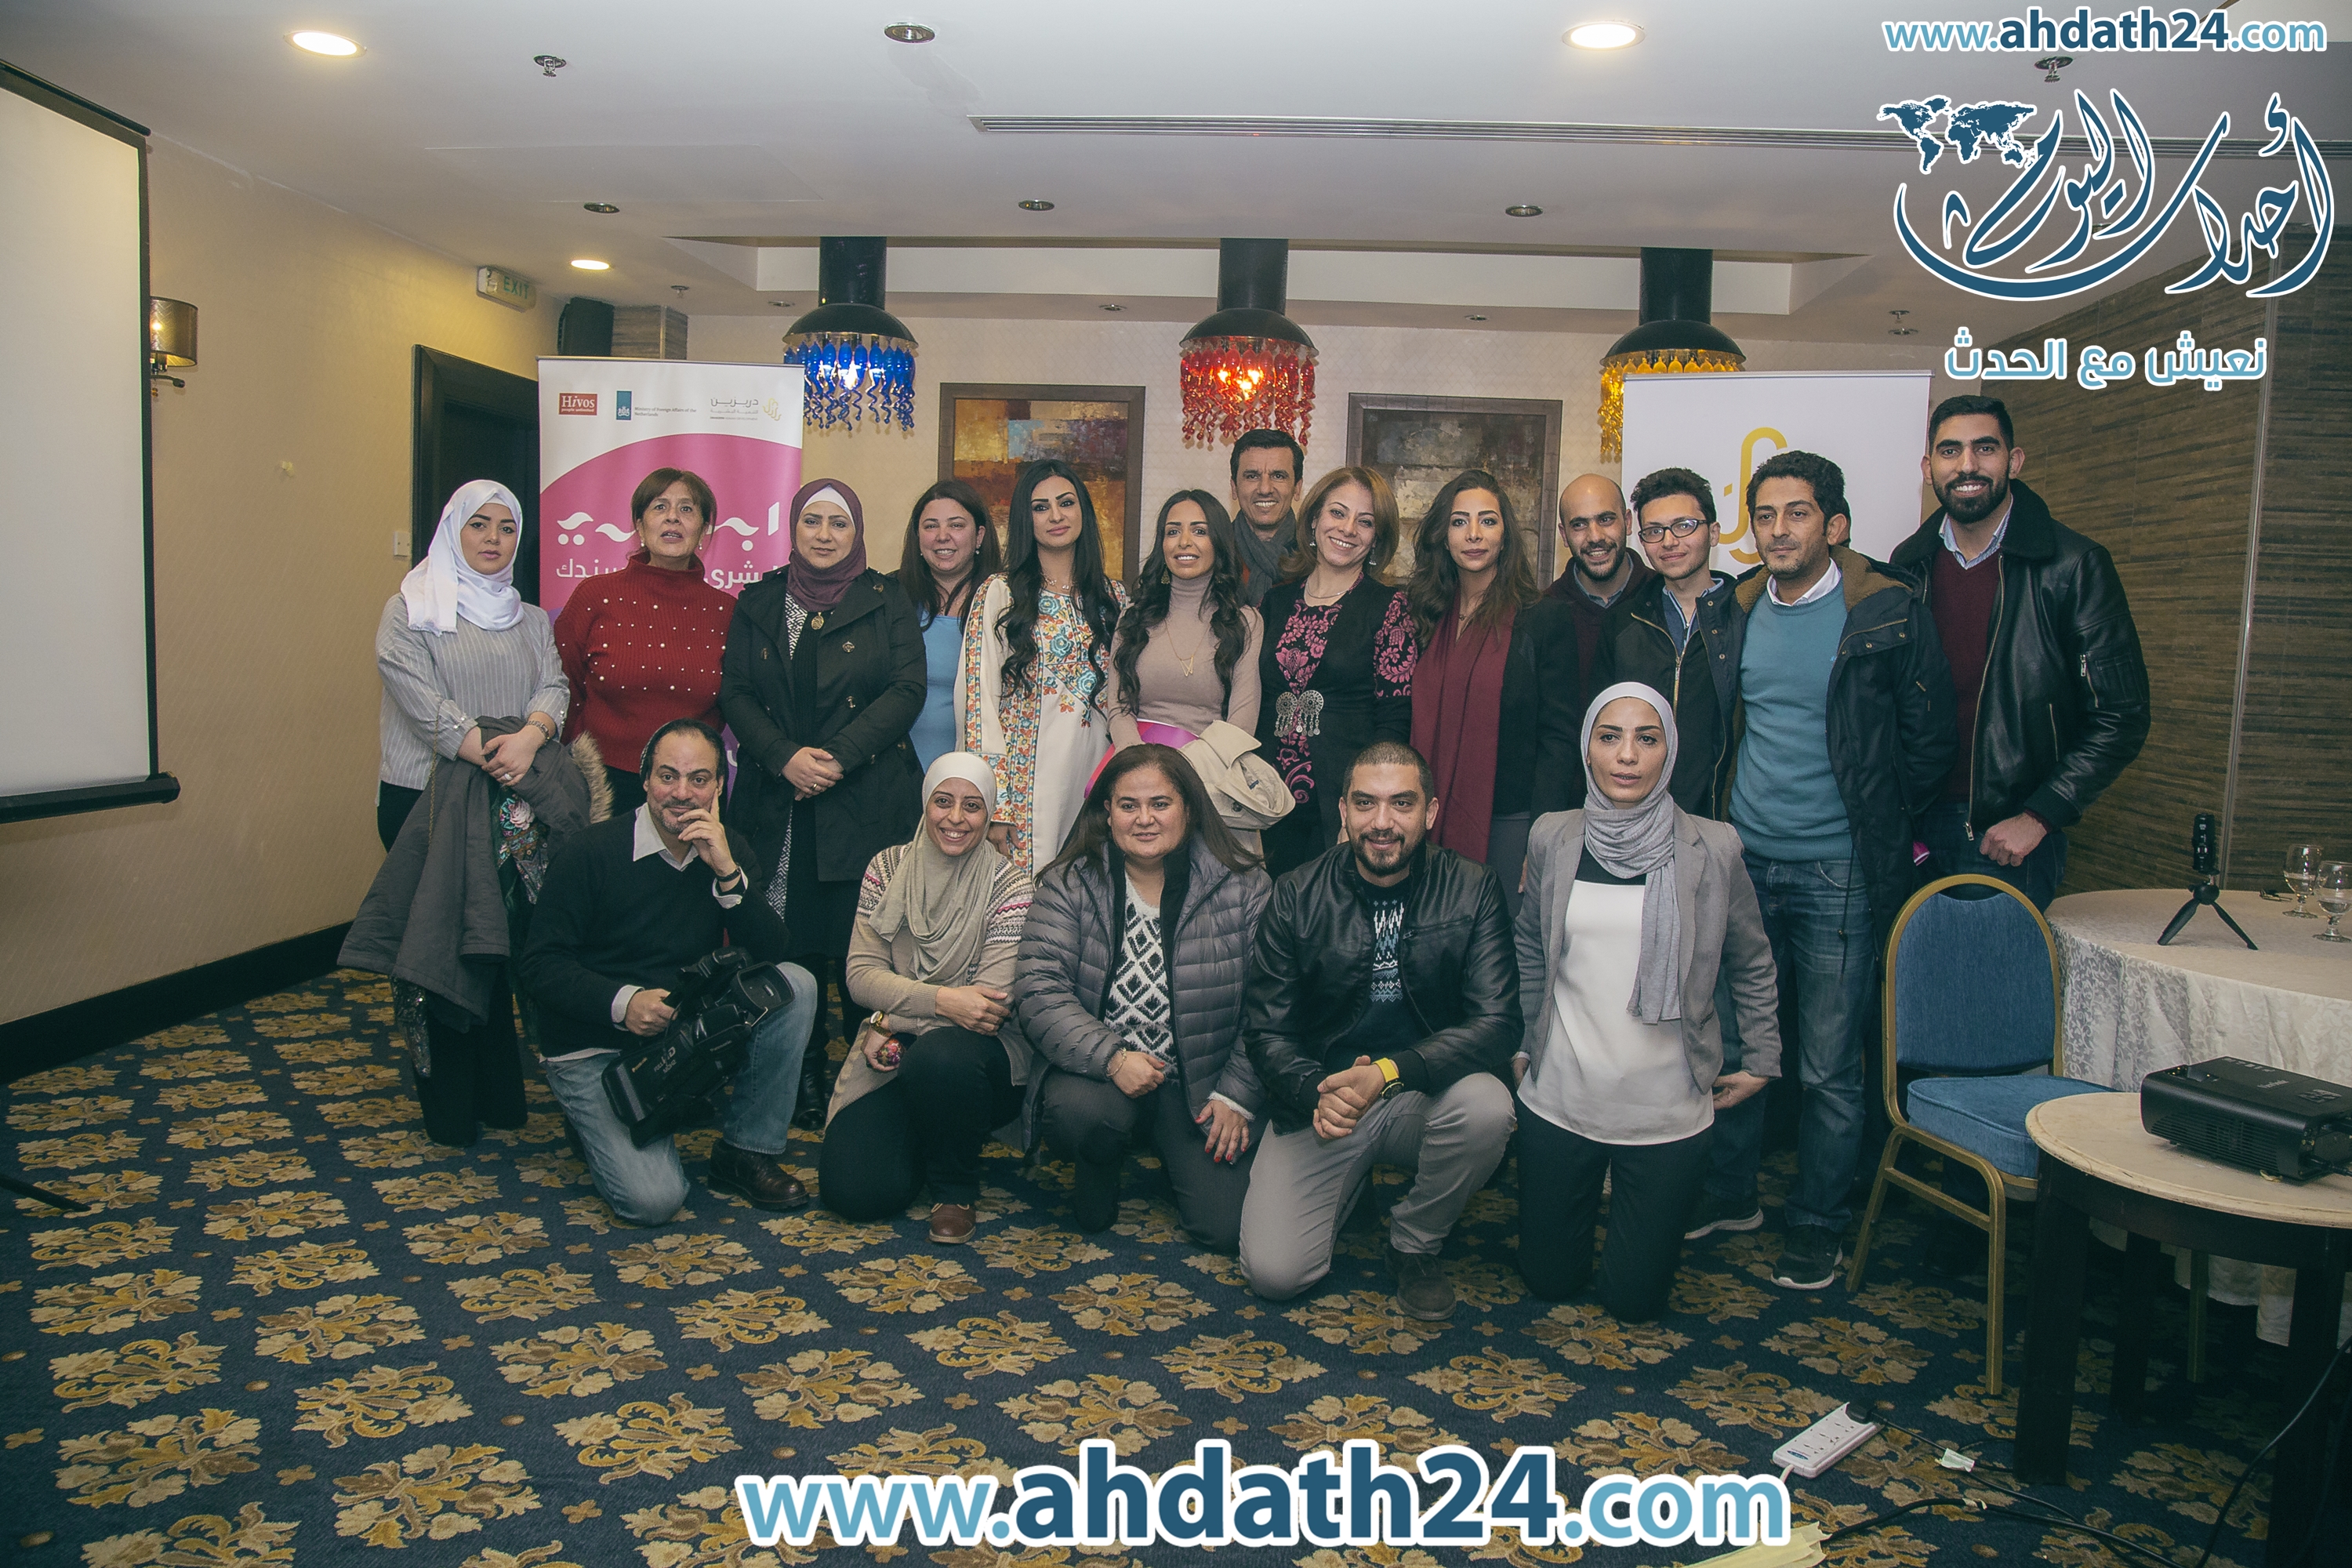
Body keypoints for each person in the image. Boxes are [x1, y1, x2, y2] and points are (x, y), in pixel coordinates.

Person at [1690, 450, 1955, 1291]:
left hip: (1840, 869)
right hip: (1744, 862)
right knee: (1735, 1043)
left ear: (1834, 525)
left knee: (1829, 1062)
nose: (1778, 530)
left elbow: (1929, 744)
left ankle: (1816, 1222)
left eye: (1797, 513)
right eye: (1765, 515)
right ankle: (1732, 1194)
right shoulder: (1731, 609)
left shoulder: (1885, 611)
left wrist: (1878, 823)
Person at [1513, 685, 1780, 1322]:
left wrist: (1763, 1057)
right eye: (1609, 737)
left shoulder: (1715, 847)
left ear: (1670, 751)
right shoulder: (1553, 837)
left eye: (1646, 738)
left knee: (1634, 1302)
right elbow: (1529, 944)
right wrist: (1525, 1039)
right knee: (1549, 1282)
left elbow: (1751, 959)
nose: (1627, 756)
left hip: (1667, 1111)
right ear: (1587, 749)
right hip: (1561, 1100)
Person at [1239, 741, 1520, 1319]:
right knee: (1275, 1274)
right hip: (1326, 1099)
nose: (1382, 822)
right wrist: (1315, 1092)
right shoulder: (1295, 893)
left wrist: (1389, 1073)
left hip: (1425, 1093)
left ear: (1430, 812)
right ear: (1343, 811)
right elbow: (1266, 1030)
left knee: (1489, 1109)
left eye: (1402, 803)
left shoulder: (1473, 887)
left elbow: (1498, 1023)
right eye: (1366, 803)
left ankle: (1414, 1242)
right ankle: (1352, 1183)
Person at [519, 719, 820, 1223]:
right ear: (644, 781)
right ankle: (592, 1118)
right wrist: (624, 1003)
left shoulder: (727, 849)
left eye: (698, 779)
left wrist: (727, 873)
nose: (682, 793)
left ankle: (745, 1152)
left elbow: (773, 952)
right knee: (654, 1202)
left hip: (680, 1032)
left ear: (719, 786)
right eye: (668, 776)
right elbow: (539, 966)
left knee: (798, 984)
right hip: (594, 1042)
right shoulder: (590, 852)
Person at [1889, 395, 2149, 911]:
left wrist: (2040, 816)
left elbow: (2121, 714)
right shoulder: (1909, 563)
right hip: (1911, 828)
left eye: (1985, 449)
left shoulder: (2073, 565)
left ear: (2014, 461)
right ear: (1928, 468)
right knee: (1909, 967)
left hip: (2006, 837)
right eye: (1950, 451)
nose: (1967, 465)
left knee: (1993, 968)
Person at [721, 477, 927, 1123]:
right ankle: (802, 1068)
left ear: (857, 532)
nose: (824, 535)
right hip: (780, 799)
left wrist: (836, 757)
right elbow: (735, 692)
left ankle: (867, 1070)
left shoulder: (887, 599)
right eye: (812, 521)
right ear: (793, 528)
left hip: (865, 795)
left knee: (863, 939)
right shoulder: (758, 600)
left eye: (839, 523)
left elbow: (907, 689)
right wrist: (784, 757)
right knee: (793, 939)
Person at [1011, 745, 1271, 1250]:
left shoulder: (1246, 887)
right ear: (1107, 813)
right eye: (1128, 805)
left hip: (1202, 1082)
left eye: (1160, 804)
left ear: (1189, 809)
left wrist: (1237, 1094)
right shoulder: (1068, 883)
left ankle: (1173, 1150)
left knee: (1222, 1229)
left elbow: (1271, 1003)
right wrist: (1112, 1058)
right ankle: (1101, 1159)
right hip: (1101, 1077)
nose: (1144, 819)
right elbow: (1039, 991)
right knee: (1079, 1117)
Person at [818, 753, 1034, 1243]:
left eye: (972, 806)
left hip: (974, 1059)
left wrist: (890, 1019)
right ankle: (924, 1136)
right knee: (854, 1193)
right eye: (943, 801)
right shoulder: (886, 867)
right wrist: (940, 1002)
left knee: (941, 1060)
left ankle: (955, 1189)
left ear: (989, 813)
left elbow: (987, 1008)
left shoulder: (1011, 885)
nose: (955, 818)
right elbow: (860, 976)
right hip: (897, 1052)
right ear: (924, 803)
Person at [1403, 470, 1584, 914]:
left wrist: (1541, 838)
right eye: (1460, 521)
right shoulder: (1424, 618)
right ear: (1444, 537)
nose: (1474, 534)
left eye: (1488, 520)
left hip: (1512, 825)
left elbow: (1559, 740)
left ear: (1505, 536)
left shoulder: (1544, 620)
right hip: (1425, 819)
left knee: (1504, 948)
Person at [958, 459, 1131, 876]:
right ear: (1025, 519)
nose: (1056, 516)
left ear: (1083, 512)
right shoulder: (1000, 593)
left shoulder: (1114, 598)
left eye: (1066, 503)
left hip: (1096, 779)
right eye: (1040, 507)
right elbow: (977, 701)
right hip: (1023, 789)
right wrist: (994, 801)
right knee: (1023, 898)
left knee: (1086, 894)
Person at [376, 480, 568, 851]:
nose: (493, 538)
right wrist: (505, 758)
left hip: (513, 794)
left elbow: (553, 687)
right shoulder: (410, 610)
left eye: (507, 529)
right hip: (425, 794)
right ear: (452, 531)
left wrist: (528, 741)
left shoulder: (532, 619)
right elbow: (424, 706)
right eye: (478, 524)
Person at [1255, 466, 1417, 879]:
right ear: (1314, 519)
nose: (1348, 529)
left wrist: (1364, 812)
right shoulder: (1274, 602)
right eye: (1338, 513)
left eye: (1365, 522)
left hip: (1339, 809)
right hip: (1265, 804)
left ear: (1376, 538)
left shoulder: (1389, 608)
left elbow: (1394, 722)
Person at [552, 468, 737, 815]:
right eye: (659, 507)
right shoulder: (595, 596)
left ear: (703, 530)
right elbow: (564, 689)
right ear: (639, 525)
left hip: (692, 790)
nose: (673, 517)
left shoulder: (727, 611)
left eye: (686, 509)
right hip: (599, 786)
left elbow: (738, 701)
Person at [1592, 466, 1738, 816]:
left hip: (1720, 817)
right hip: (1634, 816)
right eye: (1655, 531)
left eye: (1684, 526)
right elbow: (1600, 729)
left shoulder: (1745, 617)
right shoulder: (1622, 623)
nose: (1669, 542)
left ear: (1713, 532)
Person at [1108, 491, 1264, 750]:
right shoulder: (1134, 617)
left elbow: (1242, 723)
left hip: (1211, 765)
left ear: (1219, 542)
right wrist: (1139, 762)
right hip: (1135, 761)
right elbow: (1118, 707)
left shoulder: (1244, 622)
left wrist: (1187, 768)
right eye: (1173, 532)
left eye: (1199, 531)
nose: (1184, 542)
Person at [895, 479, 1002, 771]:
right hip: (896, 771)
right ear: (918, 537)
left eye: (956, 525)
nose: (943, 536)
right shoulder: (890, 599)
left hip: (980, 772)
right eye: (931, 526)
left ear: (979, 536)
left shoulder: (1007, 603)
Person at [1546, 473, 1653, 706]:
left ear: (1628, 522)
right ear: (1564, 535)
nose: (1595, 536)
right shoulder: (1542, 614)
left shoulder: (1663, 599)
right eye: (1579, 525)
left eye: (1605, 520)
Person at [1228, 429, 1305, 607]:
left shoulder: (1315, 557)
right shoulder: (1215, 552)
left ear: (1297, 488)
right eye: (1252, 476)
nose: (1265, 489)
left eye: (1278, 476)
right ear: (1234, 487)